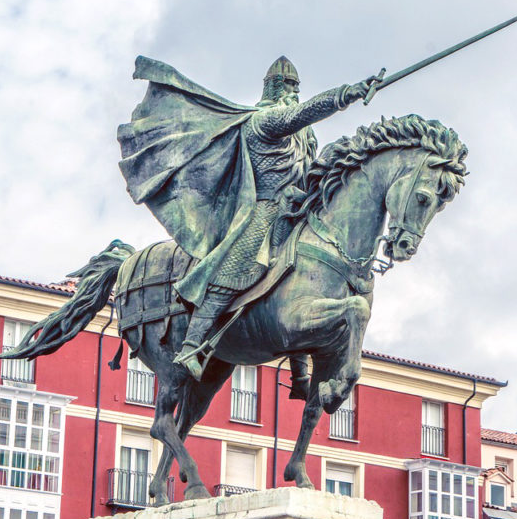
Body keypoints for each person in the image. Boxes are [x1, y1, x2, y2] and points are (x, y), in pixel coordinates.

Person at [117, 56, 379, 380]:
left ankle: (300, 367)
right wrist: (347, 94)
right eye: (287, 86)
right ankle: (192, 345)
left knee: (311, 277)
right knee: (238, 268)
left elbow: (309, 170)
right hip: (264, 211)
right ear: (272, 87)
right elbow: (304, 112)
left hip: (297, 210)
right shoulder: (264, 120)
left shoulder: (305, 136)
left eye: (296, 87)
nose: (292, 92)